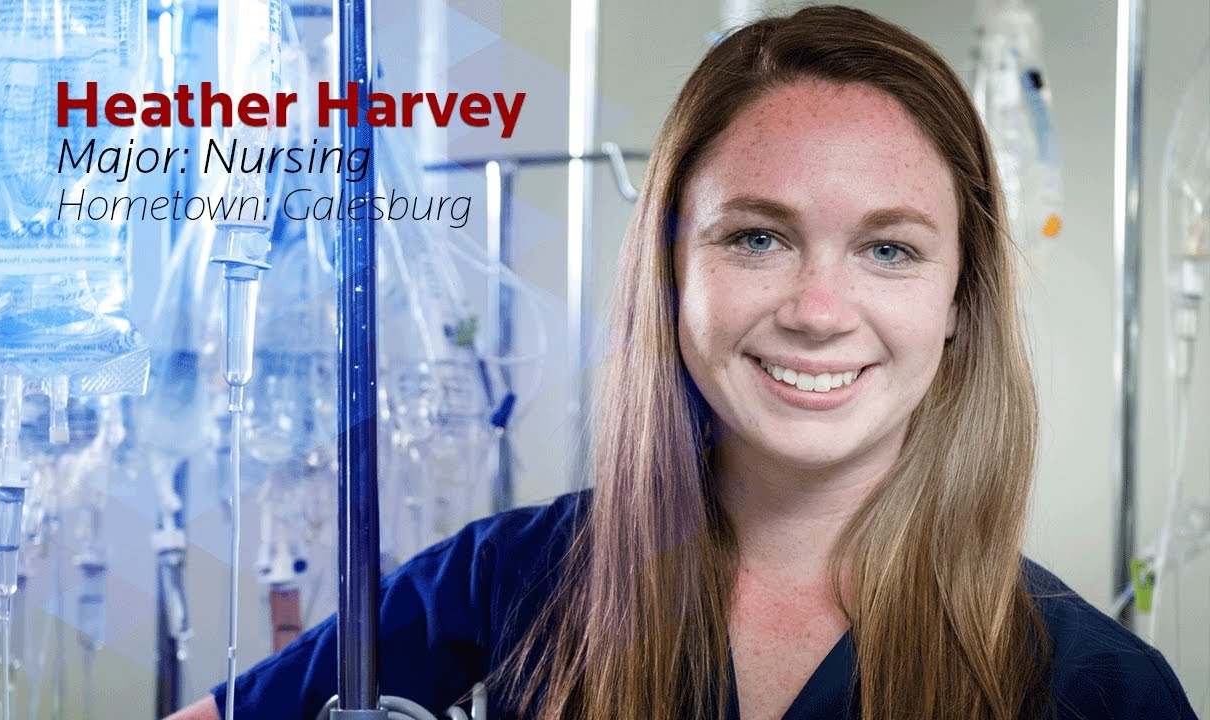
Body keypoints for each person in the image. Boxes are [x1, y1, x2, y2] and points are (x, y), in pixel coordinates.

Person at [169, 6, 1197, 720]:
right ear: (669, 271)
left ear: (960, 302)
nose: (817, 312)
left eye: (888, 250)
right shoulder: (504, 584)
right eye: (757, 238)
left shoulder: (1091, 688)